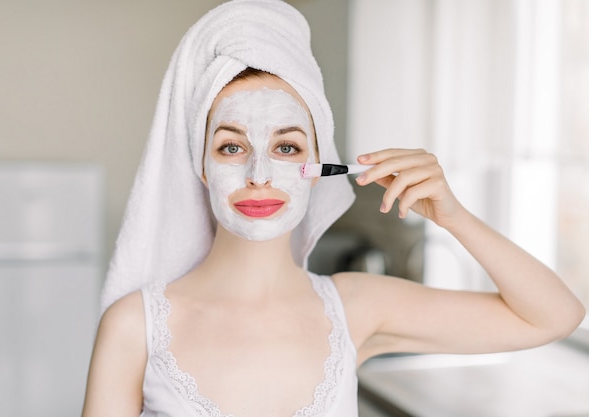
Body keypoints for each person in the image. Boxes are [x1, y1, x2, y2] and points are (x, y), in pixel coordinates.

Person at [81, 1, 585, 416]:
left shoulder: (357, 308)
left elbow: (554, 316)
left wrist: (453, 214)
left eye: (287, 148)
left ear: (319, 166)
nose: (259, 173)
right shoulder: (135, 325)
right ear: (202, 165)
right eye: (232, 147)